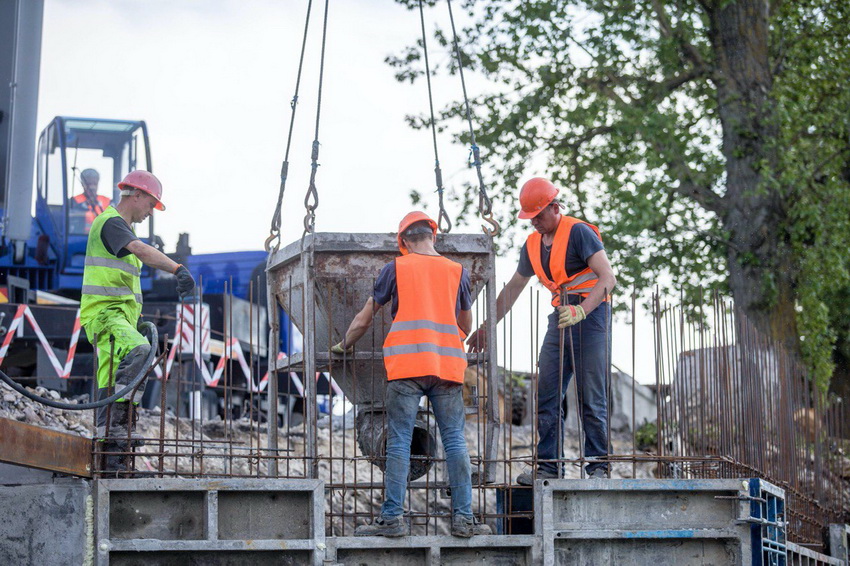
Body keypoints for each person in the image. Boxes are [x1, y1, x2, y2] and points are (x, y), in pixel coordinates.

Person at [334, 211, 491, 538]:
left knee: (400, 442)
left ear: (403, 242)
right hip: (447, 367)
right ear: (433, 236)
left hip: (406, 368)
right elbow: (465, 325)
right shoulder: (456, 271)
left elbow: (364, 319)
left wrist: (344, 344)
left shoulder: (395, 269)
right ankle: (464, 520)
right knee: (454, 443)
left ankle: (392, 519)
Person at [467, 177, 616, 483]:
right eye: (530, 218)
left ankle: (598, 467)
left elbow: (607, 278)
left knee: (592, 396)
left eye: (538, 215)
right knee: (547, 394)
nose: (534, 222)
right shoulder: (533, 245)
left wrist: (582, 311)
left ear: (555, 207)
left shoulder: (579, 232)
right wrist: (486, 327)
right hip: (561, 316)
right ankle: (549, 467)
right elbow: (513, 288)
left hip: (592, 316)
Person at [80, 170, 195, 470]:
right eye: (150, 204)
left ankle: (112, 456)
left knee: (108, 383)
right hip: (106, 316)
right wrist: (177, 268)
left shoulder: (121, 228)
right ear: (137, 194)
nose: (149, 212)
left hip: (119, 321)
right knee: (142, 351)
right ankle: (119, 432)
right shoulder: (111, 223)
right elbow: (141, 250)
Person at [71, 168, 111, 233]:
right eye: (89, 184)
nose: (92, 187)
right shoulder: (73, 202)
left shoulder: (108, 202)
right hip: (80, 239)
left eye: (95, 184)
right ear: (82, 184)